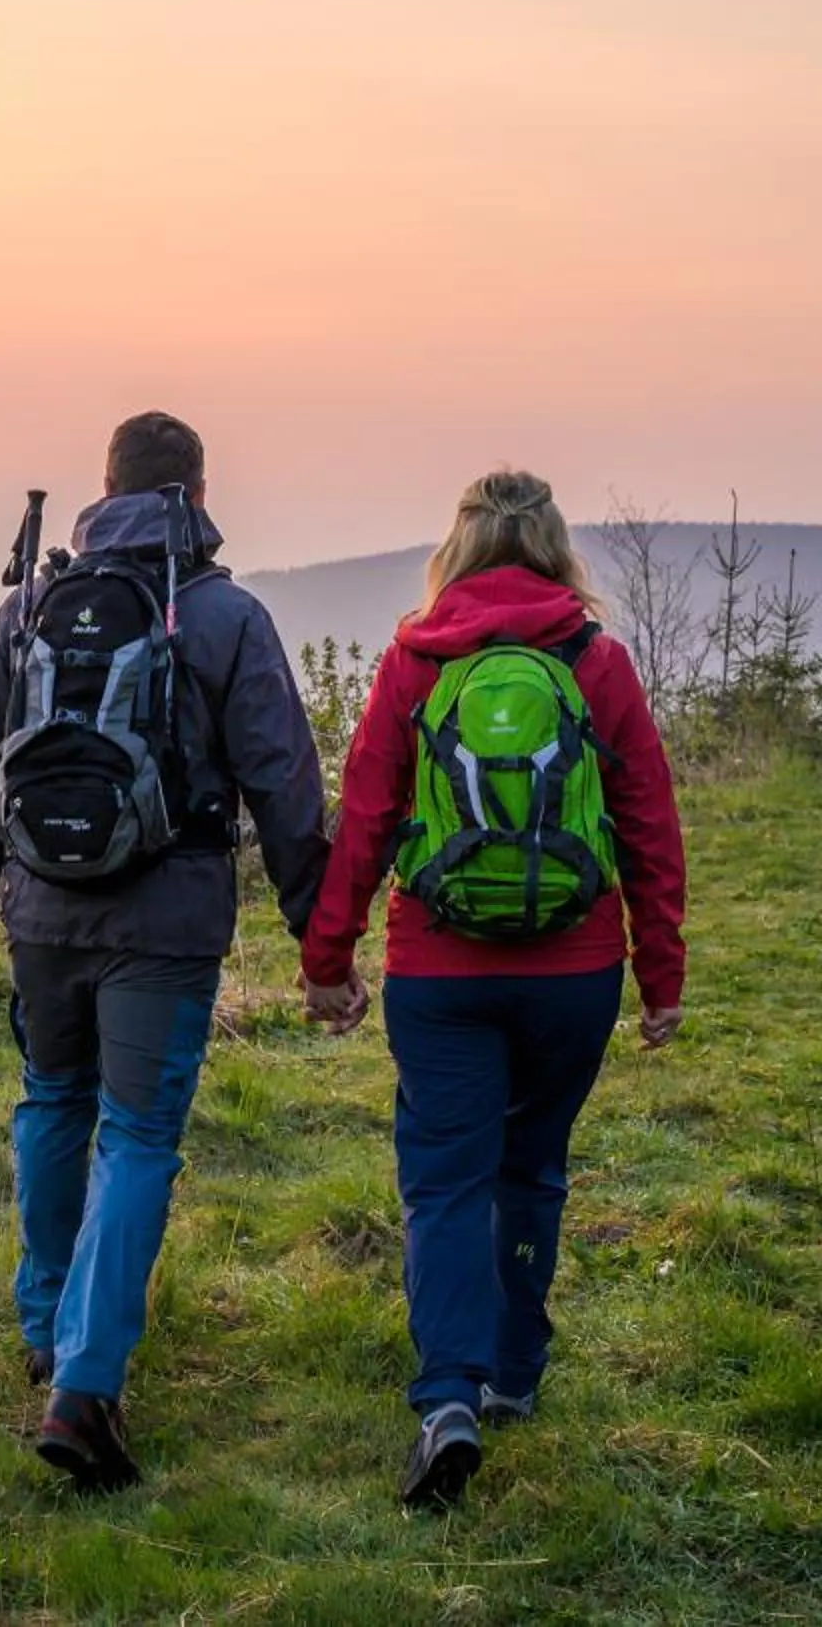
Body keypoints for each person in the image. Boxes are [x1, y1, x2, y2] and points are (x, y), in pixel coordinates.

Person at [0, 411, 330, 1492]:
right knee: (141, 1135)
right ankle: (84, 1386)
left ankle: (47, 1322)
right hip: (168, 923)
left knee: (53, 1101)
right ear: (196, 496)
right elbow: (285, 784)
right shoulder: (224, 617)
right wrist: (321, 938)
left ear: (101, 492)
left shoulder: (29, 611)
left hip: (43, 913)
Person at [301, 469, 687, 1510]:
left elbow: (368, 818)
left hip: (438, 976)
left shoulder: (416, 658)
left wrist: (327, 961)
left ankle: (448, 1401)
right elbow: (647, 821)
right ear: (557, 548)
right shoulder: (595, 661)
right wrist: (662, 975)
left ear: (458, 547)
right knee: (533, 1171)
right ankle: (514, 1373)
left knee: (444, 1182)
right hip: (574, 973)